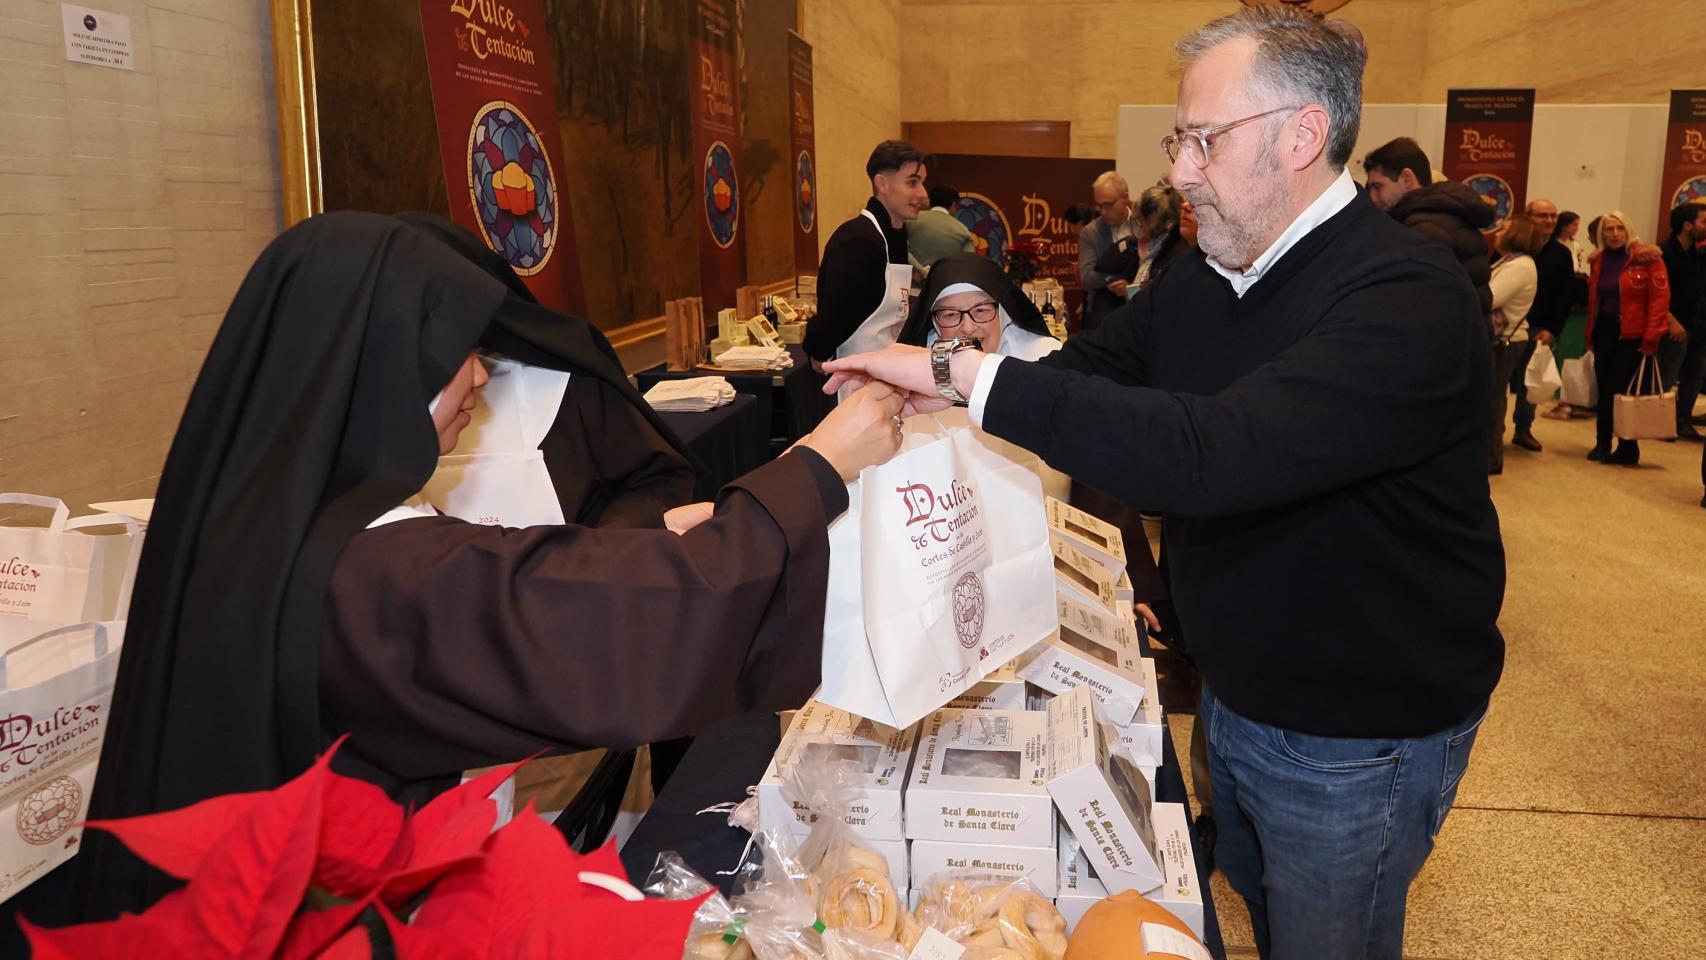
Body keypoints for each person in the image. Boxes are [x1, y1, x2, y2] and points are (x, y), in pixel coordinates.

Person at [826, 9, 1503, 958]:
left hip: (1354, 733)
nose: (1180, 170)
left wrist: (970, 381)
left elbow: (1215, 452)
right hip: (1235, 690)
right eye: (1178, 141)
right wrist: (939, 387)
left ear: (1301, 135)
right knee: (1257, 911)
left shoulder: (1405, 297)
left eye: (1202, 140)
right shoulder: (1210, 271)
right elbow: (1098, 371)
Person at [70, 211, 906, 921]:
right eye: (457, 354)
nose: (479, 375)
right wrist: (818, 467)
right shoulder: (373, 571)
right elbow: (583, 625)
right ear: (374, 369)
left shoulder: (274, 517)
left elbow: (521, 576)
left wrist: (683, 532)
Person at [804, 140, 928, 368]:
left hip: (889, 366)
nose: (922, 193)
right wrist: (818, 351)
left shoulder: (896, 236)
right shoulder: (857, 240)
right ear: (882, 184)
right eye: (913, 182)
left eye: (922, 183)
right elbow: (835, 315)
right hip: (854, 371)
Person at [1363, 136, 1495, 316]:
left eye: (1377, 187)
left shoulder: (1423, 230)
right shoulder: (1446, 217)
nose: (1372, 197)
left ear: (1407, 179)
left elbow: (1414, 307)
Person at [1585, 211, 1670, 465]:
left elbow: (1659, 299)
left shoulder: (1648, 259)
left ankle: (1627, 446)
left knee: (1620, 389)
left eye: (1619, 228)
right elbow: (1595, 300)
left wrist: (1653, 334)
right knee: (1604, 387)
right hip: (1605, 330)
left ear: (1628, 230)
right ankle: (1602, 442)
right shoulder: (1598, 260)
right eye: (1608, 230)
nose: (1614, 234)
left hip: (1634, 333)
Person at [1507, 199, 1573, 451]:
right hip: (1509, 325)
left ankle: (1523, 429)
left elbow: (1564, 297)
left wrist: (1553, 330)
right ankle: (1492, 432)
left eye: (1553, 216)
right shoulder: (1513, 249)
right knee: (1498, 381)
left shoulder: (1561, 254)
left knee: (1530, 382)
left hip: (1538, 327)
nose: (1549, 220)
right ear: (1528, 217)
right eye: (1542, 215)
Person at [1487, 214, 1548, 473]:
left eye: (1505, 229)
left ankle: (1491, 457)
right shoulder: (1512, 261)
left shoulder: (1521, 265)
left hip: (1506, 340)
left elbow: (1491, 298)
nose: (1498, 232)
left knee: (1493, 400)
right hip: (1506, 339)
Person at [1659, 202, 1706, 440]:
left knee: (1694, 375)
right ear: (1688, 225)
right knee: (1667, 375)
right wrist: (1671, 321)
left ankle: (1682, 420)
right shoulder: (1665, 252)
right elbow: (1658, 293)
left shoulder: (1695, 253)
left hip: (1695, 325)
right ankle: (1659, 422)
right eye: (1703, 222)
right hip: (1673, 325)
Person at [1078, 170, 1137, 330]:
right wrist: (1116, 277)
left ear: (1125, 198)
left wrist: (1130, 286)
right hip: (1101, 315)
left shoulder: (1143, 225)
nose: (1102, 212)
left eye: (1107, 205)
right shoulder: (1090, 232)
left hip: (1137, 311)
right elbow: (1087, 279)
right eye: (1098, 205)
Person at [906, 183, 977, 274]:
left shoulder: (909, 220)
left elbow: (900, 250)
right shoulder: (963, 231)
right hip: (944, 285)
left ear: (930, 201)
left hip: (908, 284)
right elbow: (968, 263)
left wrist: (921, 270)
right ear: (954, 205)